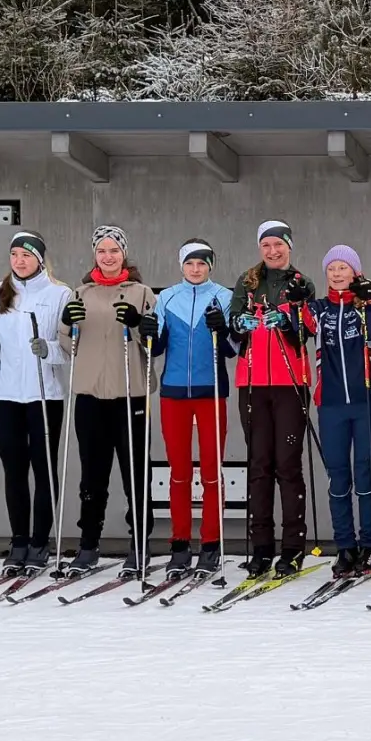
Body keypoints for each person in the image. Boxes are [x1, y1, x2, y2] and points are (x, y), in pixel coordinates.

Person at [57, 225, 157, 577]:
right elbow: (68, 347)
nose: (109, 256)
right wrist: (68, 326)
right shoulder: (80, 293)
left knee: (136, 472)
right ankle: (88, 544)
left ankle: (140, 544)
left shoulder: (142, 293)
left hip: (130, 394)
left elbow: (154, 344)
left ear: (124, 254)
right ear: (95, 255)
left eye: (115, 250)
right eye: (102, 251)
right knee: (92, 474)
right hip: (89, 395)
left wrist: (139, 325)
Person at [0, 231, 71, 574]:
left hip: (45, 394)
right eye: (14, 255)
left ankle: (40, 541)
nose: (20, 261)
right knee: (14, 470)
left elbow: (67, 346)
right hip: (5, 394)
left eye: (26, 255)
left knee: (43, 470)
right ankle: (20, 540)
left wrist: (50, 349)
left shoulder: (60, 293)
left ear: (40, 259)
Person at [229, 220, 318, 578]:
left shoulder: (301, 283)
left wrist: (287, 321)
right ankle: (261, 548)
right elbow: (234, 322)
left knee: (288, 464)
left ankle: (293, 548)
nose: (272, 251)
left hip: (290, 382)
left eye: (278, 245)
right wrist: (240, 322)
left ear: (289, 246)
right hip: (251, 382)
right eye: (265, 245)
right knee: (259, 465)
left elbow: (308, 331)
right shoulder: (247, 281)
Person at [152, 239, 236, 579]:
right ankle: (180, 544)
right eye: (190, 263)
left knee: (212, 470)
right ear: (181, 265)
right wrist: (147, 332)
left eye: (202, 263)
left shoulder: (225, 297)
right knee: (179, 471)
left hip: (211, 392)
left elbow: (233, 348)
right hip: (173, 392)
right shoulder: (167, 297)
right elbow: (155, 345)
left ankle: (211, 543)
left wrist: (222, 328)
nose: (196, 269)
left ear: (210, 265)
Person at [306, 245, 371, 579]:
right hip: (331, 404)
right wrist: (294, 302)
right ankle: (345, 547)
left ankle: (369, 546)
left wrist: (370, 301)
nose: (338, 274)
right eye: (332, 269)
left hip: (368, 400)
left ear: (355, 271)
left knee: (364, 477)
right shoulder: (319, 308)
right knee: (338, 479)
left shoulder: (366, 302)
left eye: (344, 268)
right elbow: (297, 327)